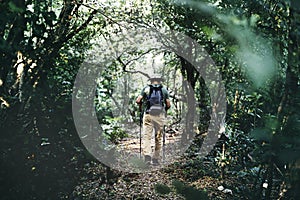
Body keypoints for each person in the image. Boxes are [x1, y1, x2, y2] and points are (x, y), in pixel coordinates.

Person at [136, 77, 171, 165]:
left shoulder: (146, 89)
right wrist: (165, 110)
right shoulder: (163, 90)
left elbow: (138, 100)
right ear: (159, 81)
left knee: (147, 136)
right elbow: (168, 104)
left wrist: (141, 107)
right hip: (159, 116)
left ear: (151, 81)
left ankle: (147, 156)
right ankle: (156, 159)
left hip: (148, 115)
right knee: (158, 137)